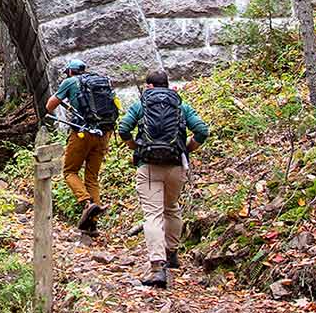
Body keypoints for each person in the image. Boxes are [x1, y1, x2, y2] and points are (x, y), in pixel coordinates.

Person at [117, 68, 210, 289]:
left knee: (152, 215)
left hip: (148, 166)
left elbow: (123, 129)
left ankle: (158, 268)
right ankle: (172, 253)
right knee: (171, 208)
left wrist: (135, 147)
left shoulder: (141, 105)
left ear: (148, 86)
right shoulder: (180, 105)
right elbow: (202, 131)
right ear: (167, 85)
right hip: (176, 166)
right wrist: (187, 149)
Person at [46, 58, 120, 233]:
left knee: (70, 171)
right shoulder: (102, 82)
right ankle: (92, 224)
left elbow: (50, 106)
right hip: (104, 133)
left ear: (70, 71)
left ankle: (86, 202)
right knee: (92, 177)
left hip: (82, 133)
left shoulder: (70, 81)